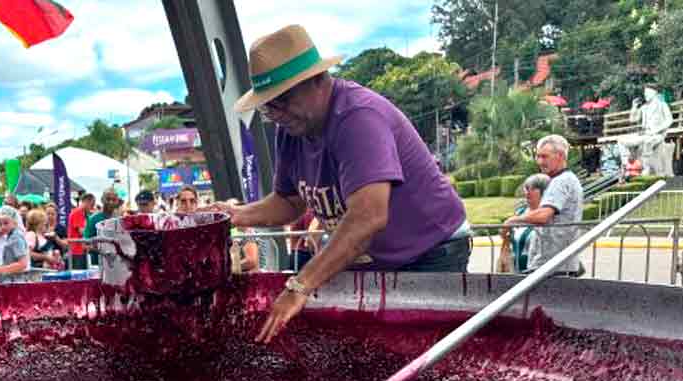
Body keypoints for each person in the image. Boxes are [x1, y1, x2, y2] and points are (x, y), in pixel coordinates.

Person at [217, 25, 470, 343]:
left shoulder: (358, 117)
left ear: (319, 81)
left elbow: (368, 218)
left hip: (430, 251)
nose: (276, 113)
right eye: (268, 106)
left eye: (283, 100)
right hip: (374, 257)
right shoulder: (292, 128)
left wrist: (300, 286)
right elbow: (289, 202)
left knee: (416, 358)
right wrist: (236, 215)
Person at [503, 135, 584, 276]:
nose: (539, 161)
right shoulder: (562, 180)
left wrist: (513, 220)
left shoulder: (561, 181)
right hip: (555, 264)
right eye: (537, 156)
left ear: (560, 156)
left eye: (544, 156)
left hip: (552, 266)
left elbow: (543, 215)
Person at [498, 174, 549, 273]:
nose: (527, 192)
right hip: (515, 270)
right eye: (526, 188)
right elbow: (503, 233)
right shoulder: (520, 212)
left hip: (537, 271)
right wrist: (504, 230)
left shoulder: (547, 214)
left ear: (544, 191)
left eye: (533, 188)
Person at [0, 205, 30, 283]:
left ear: (15, 222)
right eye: (0, 224)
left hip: (16, 282)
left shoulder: (16, 238)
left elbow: (22, 264)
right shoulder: (11, 236)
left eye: (6, 223)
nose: (2, 227)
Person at [84, 190, 121, 268]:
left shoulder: (120, 219)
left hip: (116, 265)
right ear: (102, 200)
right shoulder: (93, 219)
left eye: (113, 200)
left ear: (117, 201)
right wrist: (101, 250)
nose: (111, 202)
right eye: (108, 199)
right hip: (98, 265)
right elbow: (85, 244)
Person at [68, 192, 95, 270]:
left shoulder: (84, 214)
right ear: (86, 201)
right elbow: (82, 231)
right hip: (76, 250)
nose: (92, 207)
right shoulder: (78, 212)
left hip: (81, 250)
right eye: (92, 205)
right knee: (78, 276)